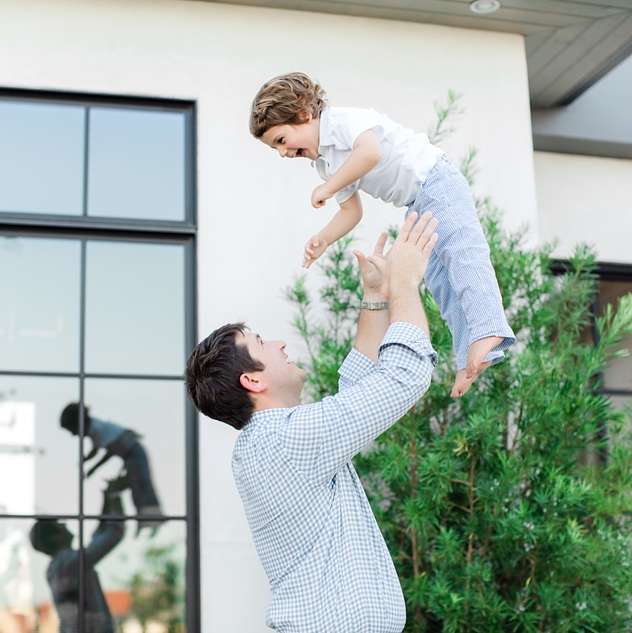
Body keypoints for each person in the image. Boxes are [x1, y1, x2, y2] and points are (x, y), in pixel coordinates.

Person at [185, 212, 439, 632]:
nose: (281, 342)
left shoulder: (277, 443)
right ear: (252, 379)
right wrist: (406, 285)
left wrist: (377, 296)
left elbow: (357, 388)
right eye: (264, 343)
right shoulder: (285, 442)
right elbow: (403, 378)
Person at [250, 71, 515, 397]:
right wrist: (324, 238)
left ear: (305, 116)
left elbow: (370, 152)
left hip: (435, 179)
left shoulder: (343, 122)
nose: (282, 153)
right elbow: (351, 212)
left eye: (281, 140)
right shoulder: (325, 164)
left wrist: (328, 187)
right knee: (440, 281)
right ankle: (472, 356)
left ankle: (490, 329)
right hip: (415, 203)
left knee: (462, 253)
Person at [30, 481, 126, 633]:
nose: (65, 525)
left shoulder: (56, 568)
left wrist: (107, 500)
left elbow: (99, 538)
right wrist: (115, 496)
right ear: (56, 537)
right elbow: (112, 534)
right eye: (60, 524)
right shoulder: (71, 562)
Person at [60, 403, 161, 533]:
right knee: (136, 487)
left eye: (72, 430)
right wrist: (86, 460)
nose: (74, 434)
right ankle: (146, 522)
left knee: (143, 484)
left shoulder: (97, 429)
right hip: (128, 455)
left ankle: (153, 520)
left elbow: (110, 451)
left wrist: (93, 468)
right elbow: (96, 449)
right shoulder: (94, 430)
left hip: (133, 452)